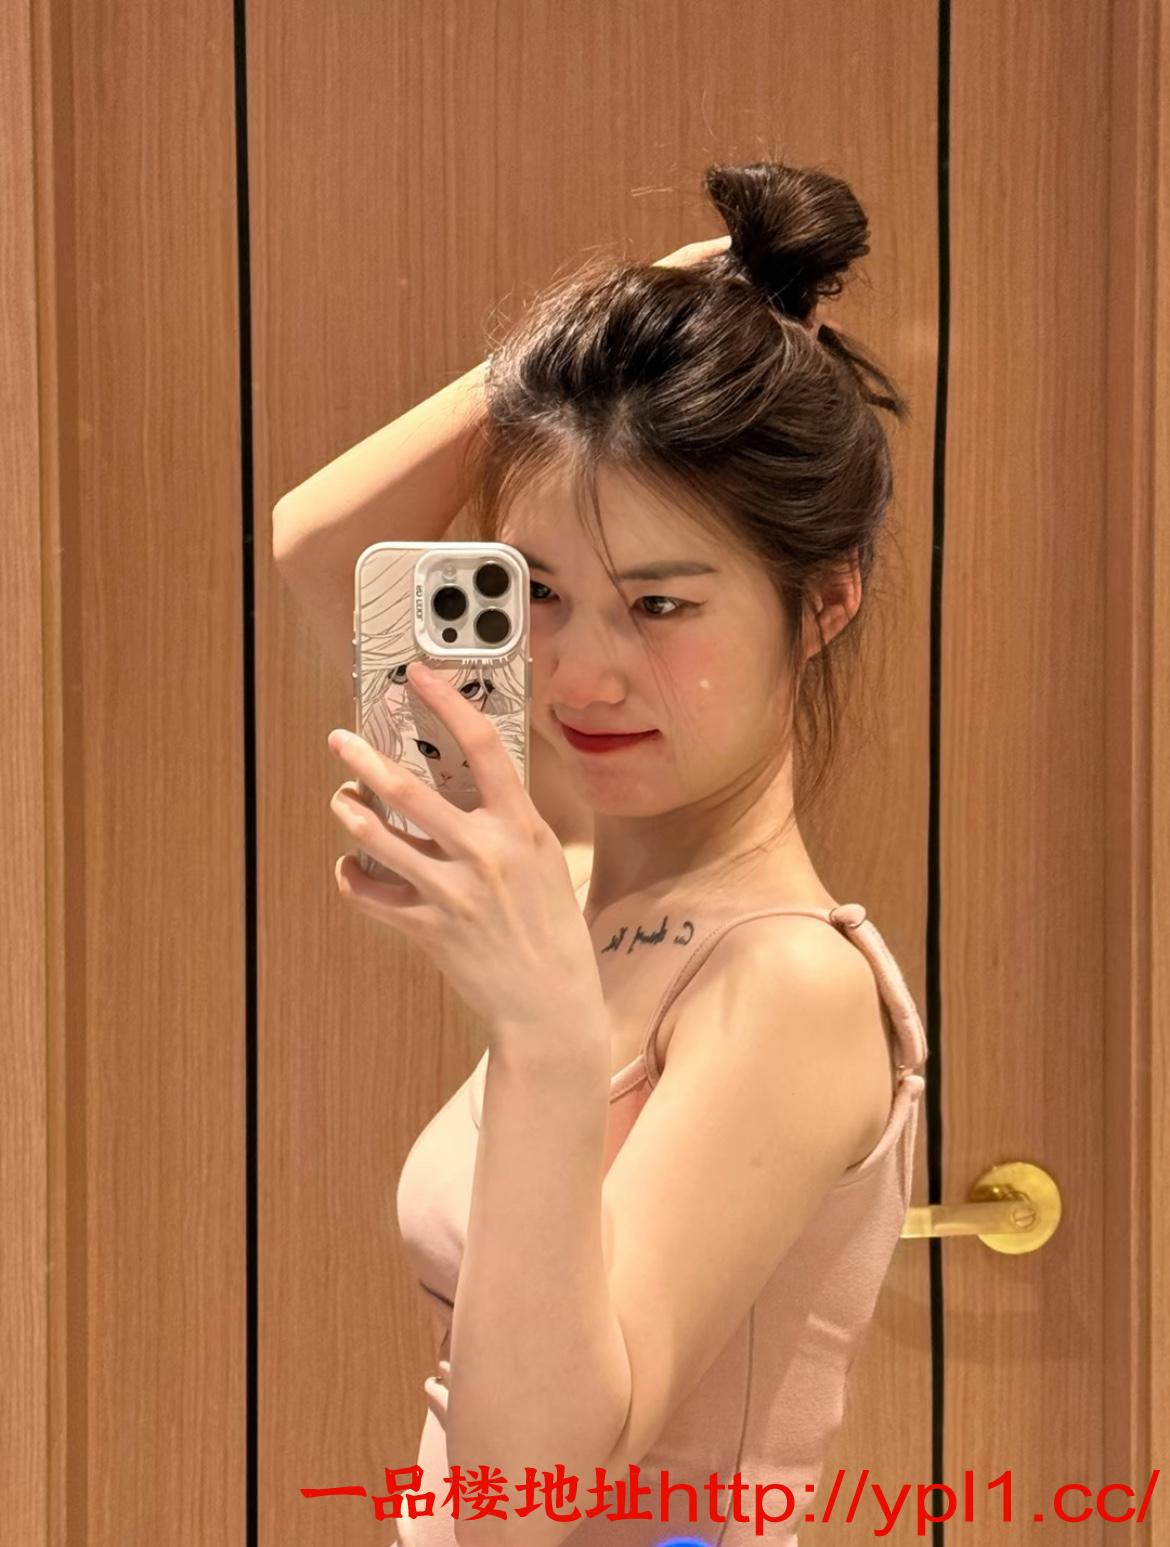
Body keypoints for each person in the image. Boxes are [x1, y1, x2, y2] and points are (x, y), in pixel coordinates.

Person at [275, 159, 928, 1547]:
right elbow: (317, 541)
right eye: (542, 592)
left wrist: (545, 1033)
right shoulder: (586, 873)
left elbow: (534, 1498)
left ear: (822, 605)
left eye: (659, 606)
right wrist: (636, 327)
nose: (578, 674)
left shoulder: (784, 989)